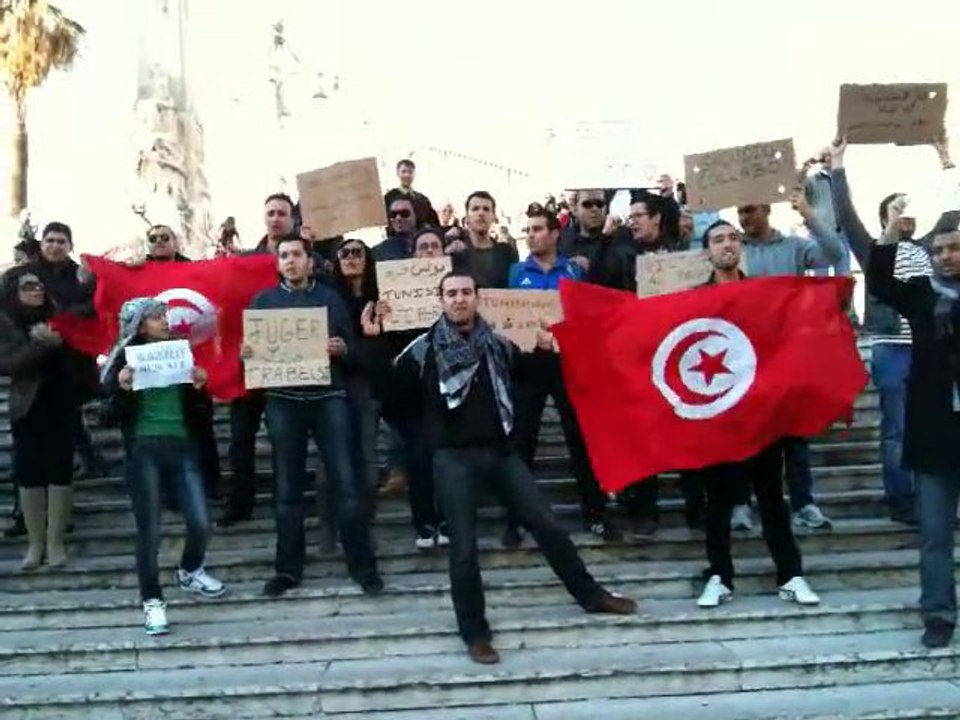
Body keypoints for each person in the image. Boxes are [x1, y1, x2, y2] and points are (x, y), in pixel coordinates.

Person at [392, 270, 637, 664]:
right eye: (451, 294)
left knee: (548, 525)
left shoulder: (499, 344)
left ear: (477, 298)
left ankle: (591, 596)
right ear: (441, 301)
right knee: (464, 551)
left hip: (501, 454)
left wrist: (542, 351)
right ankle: (475, 633)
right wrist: (429, 441)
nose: (459, 300)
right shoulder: (421, 353)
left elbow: (530, 381)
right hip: (453, 460)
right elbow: (393, 401)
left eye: (466, 292)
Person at [242, 236, 382, 597]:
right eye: (284, 255)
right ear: (278, 263)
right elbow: (253, 357)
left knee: (347, 484)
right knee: (287, 488)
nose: (290, 261)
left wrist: (342, 347)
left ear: (309, 261)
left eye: (296, 255)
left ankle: (363, 567)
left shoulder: (330, 298)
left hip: (329, 399)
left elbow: (351, 350)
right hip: (283, 402)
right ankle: (287, 570)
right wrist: (248, 352)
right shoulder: (263, 302)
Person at [693, 221, 820, 609]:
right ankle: (719, 576)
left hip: (762, 419)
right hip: (717, 419)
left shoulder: (764, 295)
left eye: (733, 238)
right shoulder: (692, 301)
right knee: (717, 503)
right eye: (718, 240)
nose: (727, 244)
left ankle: (791, 575)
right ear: (707, 253)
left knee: (771, 499)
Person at [829, 137, 939, 525]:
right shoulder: (872, 250)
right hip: (891, 348)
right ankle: (901, 498)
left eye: (911, 211)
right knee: (896, 427)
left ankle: (936, 499)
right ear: (886, 218)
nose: (907, 217)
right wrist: (838, 165)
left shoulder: (931, 246)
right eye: (898, 211)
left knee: (936, 425)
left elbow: (951, 206)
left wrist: (943, 156)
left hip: (932, 349)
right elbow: (846, 211)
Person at [101, 297, 225, 635]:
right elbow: (107, 415)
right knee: (150, 529)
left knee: (200, 520)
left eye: (164, 316)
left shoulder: (179, 352)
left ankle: (190, 569)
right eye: (157, 317)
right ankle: (152, 599)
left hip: (182, 445)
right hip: (144, 449)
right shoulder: (126, 357)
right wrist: (123, 389)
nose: (165, 321)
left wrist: (200, 390)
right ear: (141, 324)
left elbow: (200, 413)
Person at [866, 219, 960, 649]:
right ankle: (938, 613)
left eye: (954, 249)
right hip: (934, 439)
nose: (945, 257)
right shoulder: (923, 295)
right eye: (938, 250)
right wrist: (889, 233)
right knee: (935, 536)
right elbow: (881, 280)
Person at [503, 204, 619, 545]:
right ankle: (518, 519)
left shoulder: (574, 270)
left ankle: (596, 513)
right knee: (521, 443)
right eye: (528, 229)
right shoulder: (514, 273)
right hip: (528, 364)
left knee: (582, 441)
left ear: (555, 233)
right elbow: (503, 320)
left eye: (538, 229)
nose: (531, 235)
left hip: (568, 362)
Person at [734, 195, 844, 531]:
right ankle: (741, 503)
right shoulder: (732, 249)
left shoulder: (796, 247)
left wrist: (806, 211)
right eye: (740, 210)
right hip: (744, 356)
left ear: (767, 209)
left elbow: (834, 253)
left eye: (750, 208)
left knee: (795, 433)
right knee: (744, 434)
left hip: (789, 353)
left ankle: (804, 503)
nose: (744, 216)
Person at [366, 228, 449, 548]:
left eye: (434, 247)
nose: (429, 251)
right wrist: (384, 323)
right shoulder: (397, 294)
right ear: (413, 255)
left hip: (448, 388)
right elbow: (390, 353)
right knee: (417, 456)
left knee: (444, 459)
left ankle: (447, 519)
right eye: (423, 247)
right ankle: (424, 522)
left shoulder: (456, 291)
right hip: (411, 392)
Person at [220, 194, 297, 527]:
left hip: (290, 365)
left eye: (282, 213)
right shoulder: (244, 263)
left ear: (292, 219)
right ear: (263, 219)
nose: (276, 218)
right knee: (240, 439)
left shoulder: (306, 257)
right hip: (249, 364)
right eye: (271, 213)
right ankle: (241, 501)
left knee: (286, 436)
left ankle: (288, 498)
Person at [0, 266, 80, 570]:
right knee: (29, 471)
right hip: (27, 406)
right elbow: (7, 364)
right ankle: (35, 544)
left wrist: (62, 340)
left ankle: (55, 542)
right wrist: (40, 344)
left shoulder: (59, 318)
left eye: (39, 287)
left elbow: (81, 351)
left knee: (61, 470)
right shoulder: (7, 323)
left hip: (61, 402)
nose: (36, 291)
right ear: (15, 292)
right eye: (28, 287)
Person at [138, 225, 222, 499]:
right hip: (154, 364)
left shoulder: (196, 271)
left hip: (194, 357)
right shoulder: (137, 273)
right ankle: (169, 490)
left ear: (176, 241)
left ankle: (209, 483)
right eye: (154, 239)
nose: (160, 242)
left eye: (165, 237)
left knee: (200, 422)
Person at [331, 238, 381, 525]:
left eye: (357, 252)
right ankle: (333, 523)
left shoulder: (381, 298)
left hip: (368, 384)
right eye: (344, 253)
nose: (350, 257)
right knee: (335, 456)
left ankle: (365, 519)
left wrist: (368, 336)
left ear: (367, 259)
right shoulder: (329, 297)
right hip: (335, 383)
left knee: (366, 453)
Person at [447, 191, 518, 289]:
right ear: (467, 217)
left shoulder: (506, 253)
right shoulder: (455, 253)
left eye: (486, 209)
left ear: (493, 216)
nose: (481, 213)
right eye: (475, 209)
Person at [383, 158, 440, 228]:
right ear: (397, 173)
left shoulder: (422, 199)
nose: (407, 175)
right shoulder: (389, 197)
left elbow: (433, 222)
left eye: (410, 172)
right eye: (403, 172)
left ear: (414, 174)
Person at [373, 196, 419, 262]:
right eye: (393, 215)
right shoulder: (379, 251)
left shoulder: (431, 244)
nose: (398, 218)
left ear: (415, 215)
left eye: (404, 213)